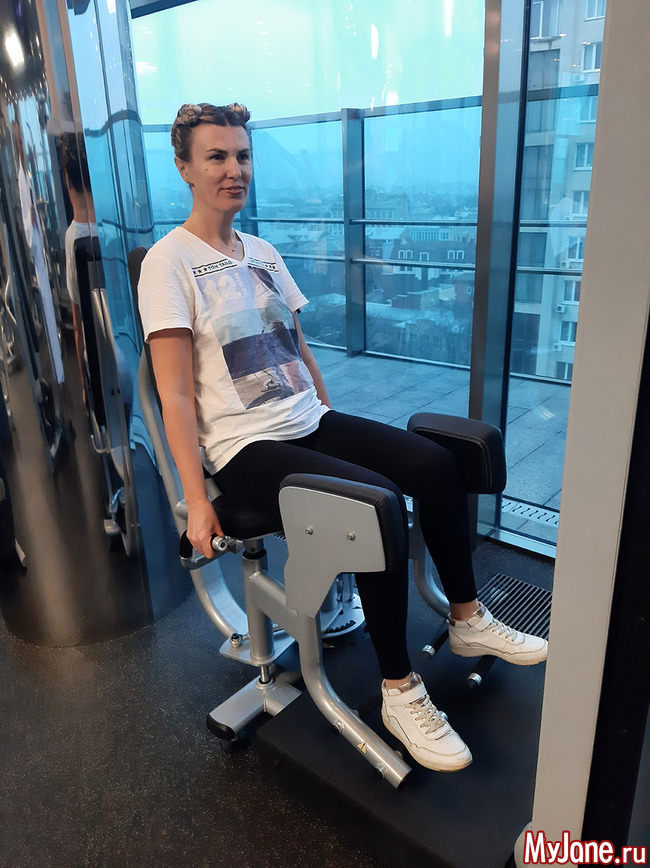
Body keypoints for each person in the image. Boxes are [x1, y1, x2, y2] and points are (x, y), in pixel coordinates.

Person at [137, 102, 548, 773]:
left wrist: (333, 421)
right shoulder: (168, 262)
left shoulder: (263, 252)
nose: (234, 169)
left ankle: (467, 619)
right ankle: (399, 692)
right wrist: (197, 500)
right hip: (245, 450)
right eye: (216, 157)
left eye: (242, 155)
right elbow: (175, 395)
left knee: (434, 465)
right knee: (374, 505)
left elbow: (298, 348)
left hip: (307, 420)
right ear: (185, 167)